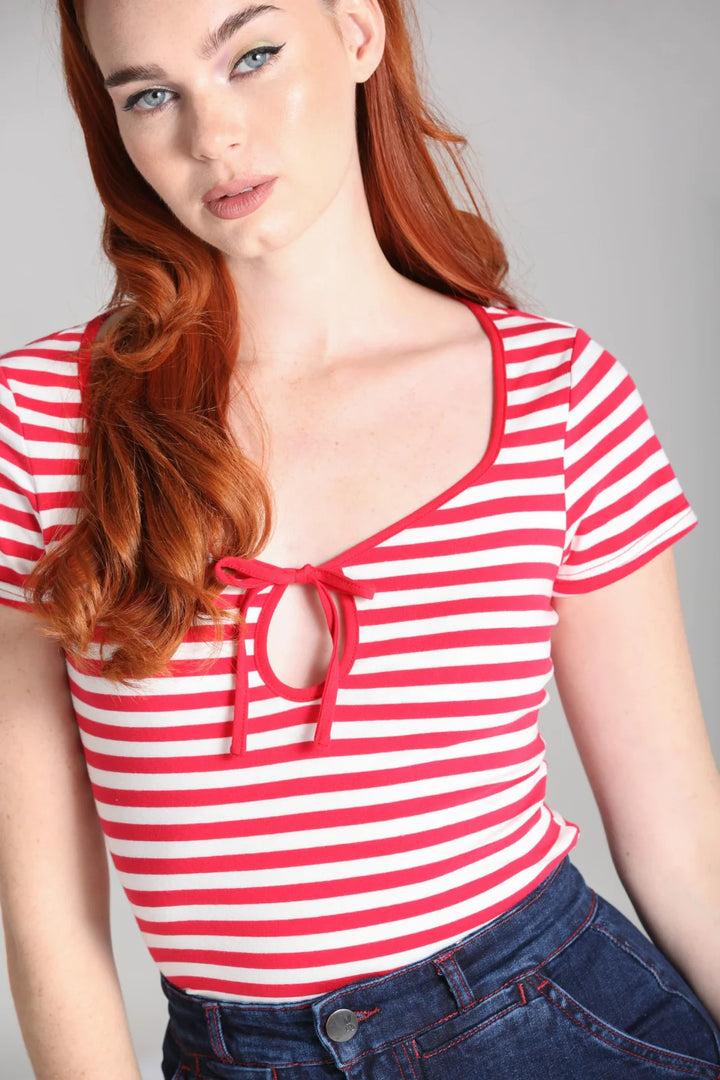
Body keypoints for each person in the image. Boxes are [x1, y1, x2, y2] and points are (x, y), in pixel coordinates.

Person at [0, 0, 718, 1077]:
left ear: (359, 32)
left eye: (252, 55)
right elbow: (46, 912)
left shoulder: (559, 396)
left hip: (553, 1021)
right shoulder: (40, 423)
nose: (212, 136)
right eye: (150, 95)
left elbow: (681, 840)